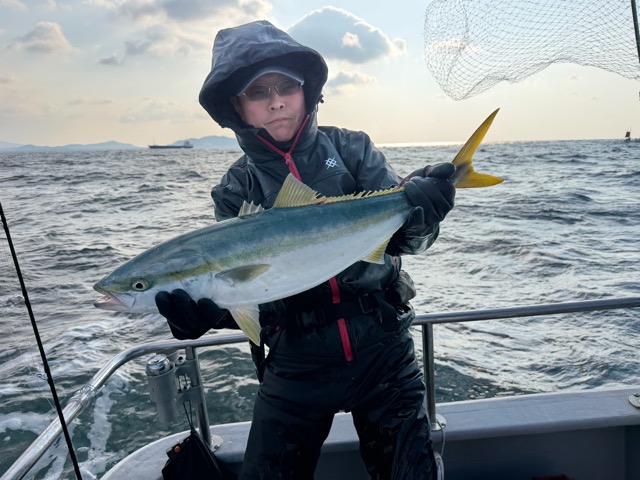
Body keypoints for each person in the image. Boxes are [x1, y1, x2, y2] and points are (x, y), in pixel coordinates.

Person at [155, 20, 455, 480]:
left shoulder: (352, 149)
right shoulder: (236, 189)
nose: (276, 101)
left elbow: (407, 242)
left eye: (286, 86)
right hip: (295, 363)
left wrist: (423, 215)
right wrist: (209, 311)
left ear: (306, 90)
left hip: (383, 349)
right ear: (236, 105)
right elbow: (249, 289)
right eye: (258, 92)